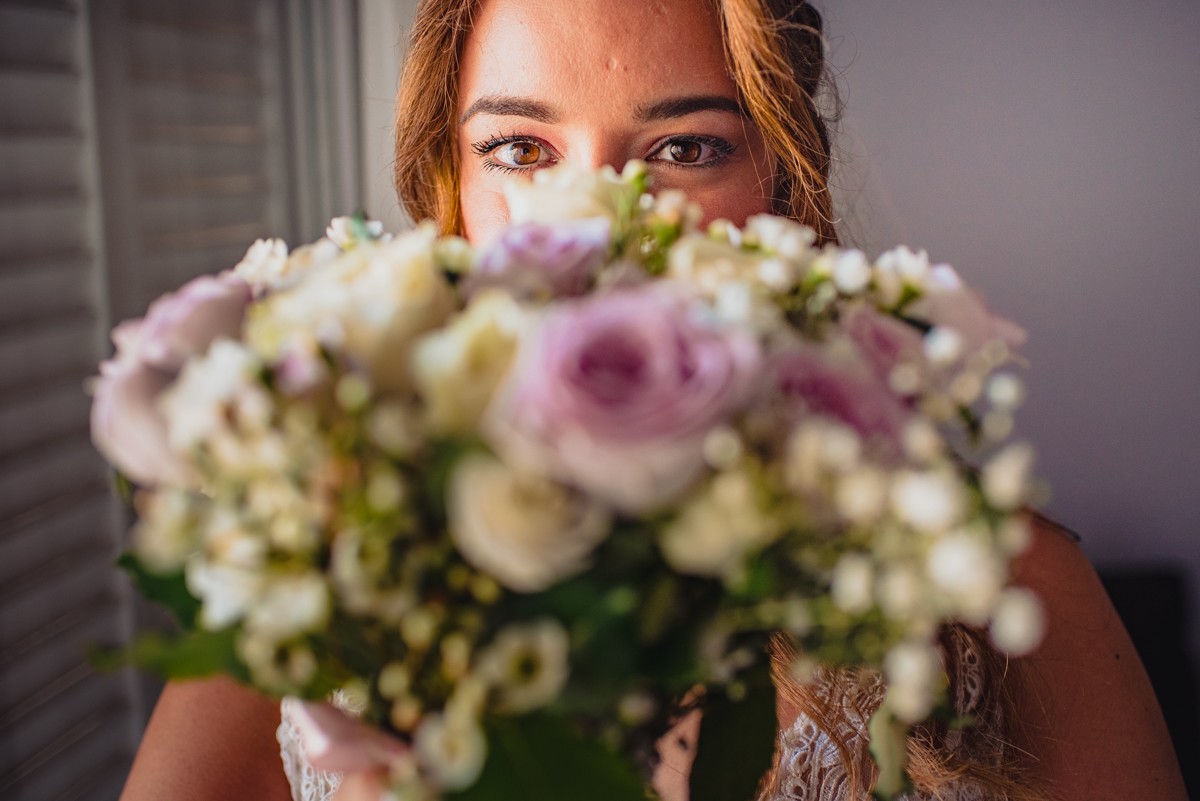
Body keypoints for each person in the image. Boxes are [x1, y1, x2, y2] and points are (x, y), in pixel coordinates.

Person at [118, 1, 1188, 800]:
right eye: (521, 150)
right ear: (450, 186)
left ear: (779, 185)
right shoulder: (310, 577)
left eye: (684, 149)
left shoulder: (998, 584)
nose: (594, 225)